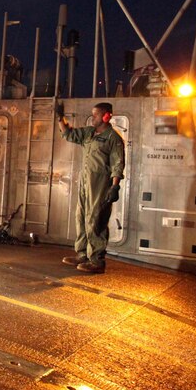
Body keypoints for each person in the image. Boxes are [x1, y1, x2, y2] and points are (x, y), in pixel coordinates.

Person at [57, 101, 125, 273]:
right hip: (85, 182)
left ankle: (97, 260)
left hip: (100, 184)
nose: (92, 118)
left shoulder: (113, 138)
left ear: (106, 116)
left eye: (95, 115)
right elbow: (68, 134)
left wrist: (115, 186)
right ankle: (82, 254)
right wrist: (60, 118)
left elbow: (118, 164)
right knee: (80, 216)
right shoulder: (89, 133)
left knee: (95, 219)